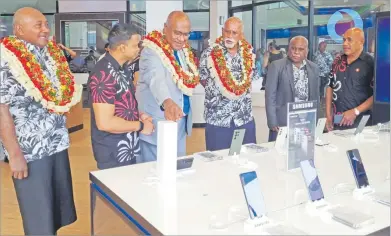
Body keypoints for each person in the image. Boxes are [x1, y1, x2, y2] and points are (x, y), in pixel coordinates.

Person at [0, 7, 82, 235]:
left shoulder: (47, 52)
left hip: (56, 143)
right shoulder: (5, 59)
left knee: (55, 212)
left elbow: (56, 92)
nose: (46, 29)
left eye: (46, 24)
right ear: (19, 29)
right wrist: (14, 155)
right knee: (38, 218)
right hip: (30, 151)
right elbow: (2, 110)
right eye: (38, 25)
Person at [88, 23, 153, 170]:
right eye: (136, 45)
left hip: (126, 145)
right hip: (113, 150)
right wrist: (141, 126)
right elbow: (105, 123)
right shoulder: (104, 73)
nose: (139, 50)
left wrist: (138, 115)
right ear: (122, 48)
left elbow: (121, 104)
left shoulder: (121, 68)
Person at [136, 11, 199, 162]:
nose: (182, 39)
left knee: (177, 170)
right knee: (154, 175)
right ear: (165, 28)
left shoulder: (183, 51)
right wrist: (167, 102)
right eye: (178, 33)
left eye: (186, 34)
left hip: (179, 122)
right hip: (158, 124)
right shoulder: (151, 51)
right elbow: (155, 79)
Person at [199, 17, 259, 151]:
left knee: (245, 161)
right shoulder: (209, 54)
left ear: (241, 35)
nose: (229, 36)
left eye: (234, 33)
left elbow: (252, 79)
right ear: (222, 31)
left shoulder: (249, 54)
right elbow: (203, 78)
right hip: (218, 120)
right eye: (227, 32)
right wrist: (219, 91)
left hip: (243, 119)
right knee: (219, 163)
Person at [265, 36, 320, 141]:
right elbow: (270, 95)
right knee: (279, 153)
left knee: (302, 151)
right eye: (293, 48)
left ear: (307, 51)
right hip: (283, 120)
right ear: (288, 49)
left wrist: (315, 120)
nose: (296, 52)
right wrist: (272, 120)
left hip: (306, 120)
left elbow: (316, 96)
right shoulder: (276, 66)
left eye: (300, 49)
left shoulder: (314, 68)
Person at [325, 28, 374, 131]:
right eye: (344, 40)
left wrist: (355, 111)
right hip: (337, 121)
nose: (345, 43)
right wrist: (328, 114)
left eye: (349, 40)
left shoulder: (371, 63)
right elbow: (330, 86)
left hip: (360, 123)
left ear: (361, 41)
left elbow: (377, 95)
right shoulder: (337, 61)